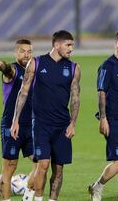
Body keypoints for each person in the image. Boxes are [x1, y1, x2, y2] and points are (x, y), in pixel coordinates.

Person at [11, 30, 81, 201]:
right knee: (43, 164)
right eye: (68, 45)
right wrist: (16, 120)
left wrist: (72, 123)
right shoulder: (36, 63)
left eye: (72, 45)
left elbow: (75, 98)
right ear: (57, 45)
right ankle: (38, 198)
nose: (71, 48)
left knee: (59, 169)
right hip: (41, 124)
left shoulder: (74, 68)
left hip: (62, 126)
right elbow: (23, 91)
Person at [88, 30, 118, 201]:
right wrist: (103, 118)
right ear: (115, 44)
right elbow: (101, 92)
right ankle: (97, 186)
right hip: (113, 120)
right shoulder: (107, 66)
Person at [0, 39, 37, 201]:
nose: (26, 55)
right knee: (9, 168)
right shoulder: (14, 70)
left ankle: (28, 195)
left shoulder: (33, 71)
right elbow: (7, 70)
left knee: (41, 163)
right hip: (11, 126)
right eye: (22, 51)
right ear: (15, 53)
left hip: (30, 126)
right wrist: (1, 64)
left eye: (29, 51)